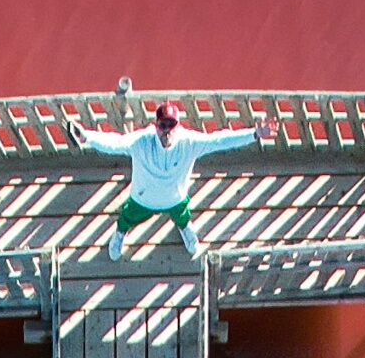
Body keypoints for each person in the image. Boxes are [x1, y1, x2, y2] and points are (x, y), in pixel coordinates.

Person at [76, 98, 266, 261]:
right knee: (126, 218)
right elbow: (115, 143)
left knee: (182, 217)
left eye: (171, 125)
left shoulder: (190, 143)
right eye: (163, 125)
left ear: (178, 125)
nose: (167, 130)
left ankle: (184, 229)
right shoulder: (141, 142)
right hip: (143, 198)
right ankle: (120, 234)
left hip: (175, 198)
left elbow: (220, 141)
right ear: (155, 126)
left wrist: (254, 134)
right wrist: (87, 138)